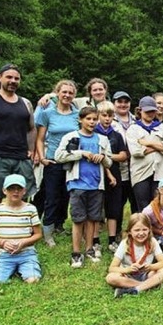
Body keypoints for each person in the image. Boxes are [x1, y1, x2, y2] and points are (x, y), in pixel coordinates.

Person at [0, 64, 36, 258]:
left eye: (16, 78)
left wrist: (31, 150)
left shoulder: (25, 103)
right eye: (9, 77)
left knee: (21, 197)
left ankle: (21, 238)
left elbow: (31, 128)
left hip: (20, 157)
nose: (13, 81)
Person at [55, 106, 112, 267]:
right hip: (77, 184)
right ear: (81, 120)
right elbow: (58, 156)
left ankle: (89, 249)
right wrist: (81, 153)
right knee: (78, 219)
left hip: (96, 184)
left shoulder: (102, 139)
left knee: (93, 219)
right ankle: (76, 253)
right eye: (88, 119)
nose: (92, 122)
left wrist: (102, 158)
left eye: (94, 119)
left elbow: (109, 161)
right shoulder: (71, 137)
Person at [35, 80, 80, 246]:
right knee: (51, 197)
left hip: (71, 161)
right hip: (52, 160)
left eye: (70, 93)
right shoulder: (48, 113)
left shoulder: (77, 114)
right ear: (58, 94)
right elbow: (40, 139)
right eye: (64, 92)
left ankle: (59, 225)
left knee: (66, 196)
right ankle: (47, 231)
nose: (67, 95)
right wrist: (42, 157)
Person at [0, 174, 42, 286]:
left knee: (33, 280)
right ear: (4, 190)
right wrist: (3, 242)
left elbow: (38, 234)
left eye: (19, 189)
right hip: (5, 254)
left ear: (24, 191)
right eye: (11, 188)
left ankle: (25, 269)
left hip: (27, 253)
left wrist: (24, 242)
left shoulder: (30, 209)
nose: (15, 192)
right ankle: (7, 269)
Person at [105, 213, 163, 298]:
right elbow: (112, 268)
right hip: (128, 276)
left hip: (147, 274)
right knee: (111, 277)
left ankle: (135, 289)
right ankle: (148, 286)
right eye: (137, 230)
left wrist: (151, 267)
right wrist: (128, 270)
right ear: (130, 231)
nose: (141, 233)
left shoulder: (152, 241)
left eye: (144, 229)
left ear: (149, 230)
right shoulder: (125, 243)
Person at [126, 96, 163, 211]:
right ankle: (144, 229)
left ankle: (156, 228)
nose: (150, 113)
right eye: (147, 111)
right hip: (140, 173)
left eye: (152, 111)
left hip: (159, 173)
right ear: (140, 111)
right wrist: (160, 146)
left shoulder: (162, 128)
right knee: (143, 205)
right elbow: (136, 151)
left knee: (158, 204)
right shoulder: (133, 129)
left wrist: (148, 143)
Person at [95, 101, 129, 252]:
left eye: (110, 116)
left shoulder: (116, 135)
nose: (107, 119)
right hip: (96, 173)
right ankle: (95, 239)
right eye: (104, 115)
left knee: (114, 207)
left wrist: (106, 156)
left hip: (115, 173)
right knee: (96, 207)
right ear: (98, 116)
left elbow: (123, 155)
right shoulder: (93, 133)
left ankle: (112, 239)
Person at [111, 91, 138, 214]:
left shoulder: (136, 120)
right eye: (119, 102)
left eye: (126, 102)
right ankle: (115, 231)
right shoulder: (110, 120)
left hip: (135, 167)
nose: (123, 104)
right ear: (114, 103)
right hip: (117, 167)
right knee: (117, 202)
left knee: (135, 201)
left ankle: (137, 228)